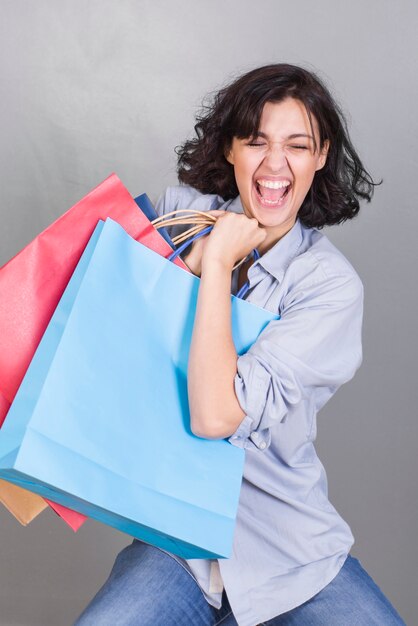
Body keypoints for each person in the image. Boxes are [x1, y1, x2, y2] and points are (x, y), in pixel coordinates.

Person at [74, 64, 405, 625]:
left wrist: (216, 264)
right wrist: (195, 253)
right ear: (230, 148)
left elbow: (216, 416)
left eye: (297, 146)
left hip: (288, 550)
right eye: (257, 142)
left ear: (321, 156)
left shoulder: (328, 285)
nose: (276, 165)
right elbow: (70, 292)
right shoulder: (177, 216)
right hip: (176, 542)